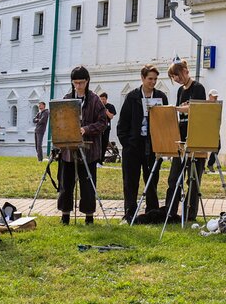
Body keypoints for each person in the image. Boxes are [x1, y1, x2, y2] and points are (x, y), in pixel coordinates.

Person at [117, 64, 169, 224]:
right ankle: (130, 213)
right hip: (133, 146)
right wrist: (127, 143)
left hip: (153, 145)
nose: (152, 82)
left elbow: (165, 121)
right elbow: (122, 123)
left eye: (155, 79)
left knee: (152, 180)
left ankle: (152, 213)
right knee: (131, 181)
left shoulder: (161, 96)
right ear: (142, 78)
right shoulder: (132, 97)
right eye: (150, 79)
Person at [57, 66, 108, 225]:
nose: (78, 86)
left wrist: (85, 129)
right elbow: (59, 120)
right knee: (66, 183)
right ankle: (65, 216)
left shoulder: (94, 100)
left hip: (89, 149)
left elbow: (103, 122)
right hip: (68, 149)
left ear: (87, 81)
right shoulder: (66, 98)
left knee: (87, 184)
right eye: (75, 82)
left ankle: (89, 217)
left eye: (81, 82)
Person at [165, 59, 208, 221]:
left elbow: (196, 109)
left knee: (193, 178)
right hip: (180, 140)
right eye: (173, 77)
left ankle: (190, 214)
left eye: (177, 75)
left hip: (196, 139)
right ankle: (170, 212)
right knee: (174, 177)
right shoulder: (180, 91)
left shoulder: (198, 88)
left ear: (185, 70)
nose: (176, 79)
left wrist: (176, 108)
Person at [98, 93, 116, 166]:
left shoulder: (110, 106)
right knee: (98, 144)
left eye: (104, 99)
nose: (102, 101)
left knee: (104, 144)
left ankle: (101, 160)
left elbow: (111, 116)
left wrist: (106, 110)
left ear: (106, 99)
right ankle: (96, 160)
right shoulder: (97, 106)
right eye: (101, 99)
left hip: (106, 128)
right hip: (98, 128)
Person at [206, 89, 220, 173]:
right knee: (202, 148)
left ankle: (210, 163)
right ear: (209, 96)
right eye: (214, 97)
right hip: (206, 128)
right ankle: (202, 168)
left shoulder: (217, 105)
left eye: (216, 97)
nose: (215, 99)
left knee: (218, 146)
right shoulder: (205, 105)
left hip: (214, 129)